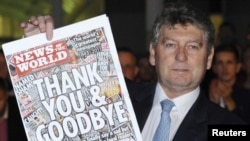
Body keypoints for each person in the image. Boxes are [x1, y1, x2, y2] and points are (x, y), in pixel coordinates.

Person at [21, 2, 246, 141]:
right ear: (152, 53)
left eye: (193, 46)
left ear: (208, 58)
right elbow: (49, 101)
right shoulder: (111, 96)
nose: (181, 56)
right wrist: (38, 43)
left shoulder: (229, 129)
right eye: (170, 45)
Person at [208, 44, 250, 123]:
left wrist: (230, 102)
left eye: (229, 62)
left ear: (238, 67)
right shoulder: (204, 94)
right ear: (214, 67)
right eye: (220, 63)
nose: (225, 68)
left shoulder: (246, 96)